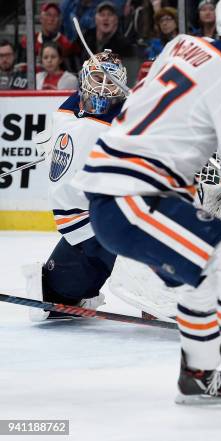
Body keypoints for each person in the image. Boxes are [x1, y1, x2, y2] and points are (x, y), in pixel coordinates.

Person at [72, 0, 221, 430]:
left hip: (116, 191)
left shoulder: (182, 44)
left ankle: (197, 376)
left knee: (204, 274)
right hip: (135, 196)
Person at [25, 50, 126, 322]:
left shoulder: (122, 125)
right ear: (83, 78)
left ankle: (164, 292)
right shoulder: (66, 113)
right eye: (97, 76)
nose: (104, 85)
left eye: (111, 80)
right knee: (56, 293)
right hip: (78, 225)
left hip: (99, 224)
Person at [19, 2, 79, 68]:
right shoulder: (29, 41)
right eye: (48, 15)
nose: (51, 19)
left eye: (55, 15)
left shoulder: (66, 45)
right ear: (41, 19)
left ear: (59, 20)